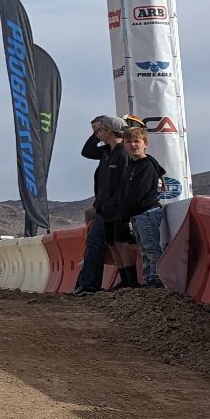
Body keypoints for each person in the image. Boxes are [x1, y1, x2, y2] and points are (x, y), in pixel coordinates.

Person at [74, 119, 166, 295]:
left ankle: (143, 281)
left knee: (140, 246)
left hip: (129, 210)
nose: (98, 133)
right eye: (129, 142)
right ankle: (132, 281)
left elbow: (132, 188)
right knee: (115, 243)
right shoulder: (108, 152)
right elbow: (87, 152)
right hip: (112, 209)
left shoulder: (132, 159)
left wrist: (121, 208)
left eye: (100, 130)